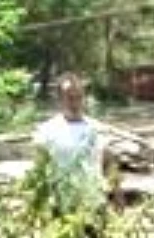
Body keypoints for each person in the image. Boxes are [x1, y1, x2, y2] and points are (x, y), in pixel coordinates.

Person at [33, 73, 115, 217]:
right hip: (62, 205)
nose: (75, 103)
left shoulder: (96, 129)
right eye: (70, 98)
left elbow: (108, 163)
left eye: (79, 97)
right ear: (60, 100)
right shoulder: (47, 131)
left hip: (93, 204)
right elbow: (40, 168)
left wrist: (117, 193)